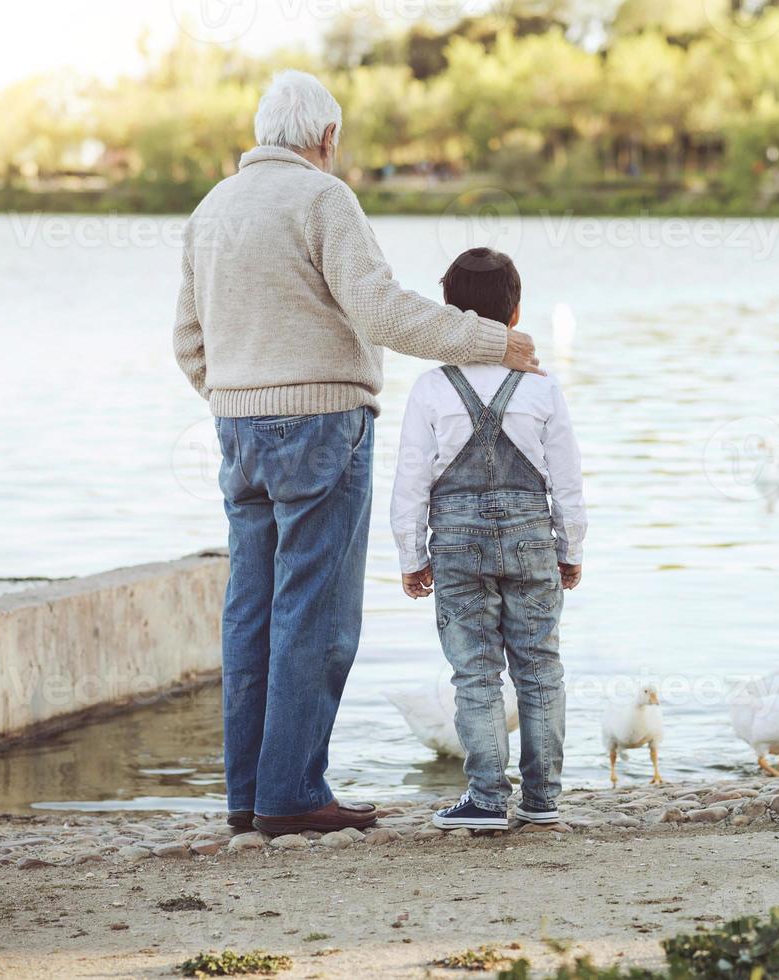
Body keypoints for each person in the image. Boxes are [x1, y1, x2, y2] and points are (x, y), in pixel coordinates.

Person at [172, 72, 542, 836]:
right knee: (317, 614)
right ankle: (293, 795)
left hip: (237, 430)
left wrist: (234, 395)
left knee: (250, 611)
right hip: (319, 426)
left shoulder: (212, 208)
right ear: (326, 138)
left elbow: (187, 339)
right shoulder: (321, 198)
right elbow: (380, 311)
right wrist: (491, 341)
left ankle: (249, 796)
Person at [390, 247, 587, 831]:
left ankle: (485, 799)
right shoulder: (542, 389)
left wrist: (411, 555)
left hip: (456, 542)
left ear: (449, 312)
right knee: (540, 666)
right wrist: (570, 549)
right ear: (517, 313)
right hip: (531, 536)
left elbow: (411, 481)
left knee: (474, 672)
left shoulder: (430, 388)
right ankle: (543, 798)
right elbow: (568, 481)